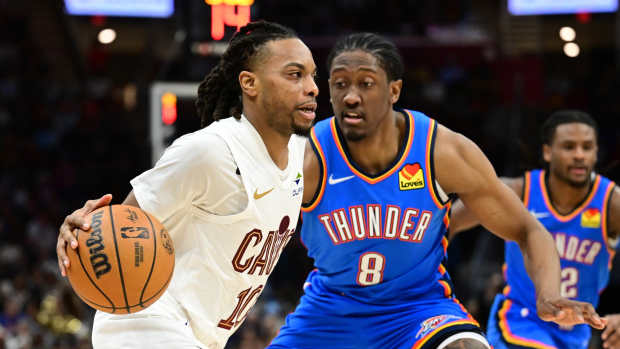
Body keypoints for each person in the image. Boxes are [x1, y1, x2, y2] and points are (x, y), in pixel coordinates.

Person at [267, 33, 605, 349]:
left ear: (394, 91)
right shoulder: (306, 157)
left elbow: (528, 229)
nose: (351, 96)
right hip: (330, 312)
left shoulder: (440, 151)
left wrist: (547, 297)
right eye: (340, 84)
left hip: (419, 310)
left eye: (366, 84)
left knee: (466, 347)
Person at [56, 20, 318, 349]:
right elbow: (120, 228)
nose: (311, 87)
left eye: (312, 76)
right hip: (145, 322)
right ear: (250, 83)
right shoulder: (211, 151)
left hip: (199, 336)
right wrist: (80, 234)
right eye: (295, 75)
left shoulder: (301, 155)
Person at [449, 110, 620, 349]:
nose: (579, 155)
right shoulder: (520, 191)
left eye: (587, 147)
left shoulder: (611, 203)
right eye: (569, 147)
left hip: (575, 330)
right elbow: (448, 223)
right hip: (520, 320)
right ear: (547, 152)